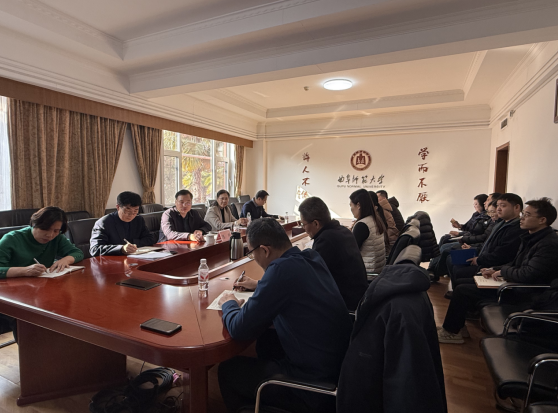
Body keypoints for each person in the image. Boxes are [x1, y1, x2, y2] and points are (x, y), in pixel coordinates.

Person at [218, 218, 352, 413]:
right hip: (337, 370)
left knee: (228, 370)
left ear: (264, 250)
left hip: (312, 387)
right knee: (265, 341)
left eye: (252, 253)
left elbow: (238, 328)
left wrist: (228, 303)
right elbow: (294, 286)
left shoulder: (280, 271)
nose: (254, 258)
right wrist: (260, 284)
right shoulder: (311, 256)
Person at [438, 198, 558, 344]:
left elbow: (528, 274)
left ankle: (451, 332)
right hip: (514, 283)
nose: (522, 218)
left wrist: (502, 272)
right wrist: (494, 269)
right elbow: (516, 263)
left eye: (527, 215)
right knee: (463, 282)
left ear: (542, 220)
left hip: (523, 292)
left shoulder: (548, 244)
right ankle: (457, 328)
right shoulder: (531, 237)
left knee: (463, 290)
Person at [0, 206, 84, 341]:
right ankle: (32, 350)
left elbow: (77, 253)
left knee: (66, 308)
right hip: (12, 294)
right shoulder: (11, 239)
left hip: (40, 291)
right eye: (45, 229)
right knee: (28, 320)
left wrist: (65, 259)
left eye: (56, 230)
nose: (50, 235)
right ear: (34, 224)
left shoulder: (57, 238)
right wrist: (24, 271)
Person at [299, 196, 368, 311]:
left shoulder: (326, 240)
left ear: (316, 223)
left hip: (345, 305)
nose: (304, 229)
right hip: (359, 297)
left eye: (303, 224)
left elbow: (311, 276)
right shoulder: (343, 230)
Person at [446, 193, 526, 288]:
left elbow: (501, 255)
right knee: (452, 259)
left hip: (493, 264)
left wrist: (479, 260)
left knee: (459, 276)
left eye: (503, 206)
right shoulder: (501, 224)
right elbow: (488, 244)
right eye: (498, 206)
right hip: (484, 257)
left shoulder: (516, 229)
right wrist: (473, 249)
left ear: (517, 207)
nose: (498, 209)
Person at [428, 201, 495, 280]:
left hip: (474, 244)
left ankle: (435, 272)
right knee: (444, 239)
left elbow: (482, 238)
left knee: (446, 250)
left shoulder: (490, 220)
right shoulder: (476, 215)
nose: (485, 203)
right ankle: (433, 268)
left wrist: (464, 239)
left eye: (476, 203)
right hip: (471, 241)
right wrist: (459, 227)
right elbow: (469, 229)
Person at [90, 191, 154, 256]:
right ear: (118, 207)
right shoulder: (104, 223)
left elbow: (150, 239)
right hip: (113, 259)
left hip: (136, 257)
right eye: (128, 210)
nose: (132, 214)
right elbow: (95, 249)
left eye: (136, 210)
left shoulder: (138, 220)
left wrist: (132, 244)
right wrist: (121, 249)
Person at [350, 189, 386, 274]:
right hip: (378, 269)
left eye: (351, 205)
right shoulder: (375, 219)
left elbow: (351, 252)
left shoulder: (362, 225)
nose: (351, 209)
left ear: (358, 205)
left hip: (368, 273)